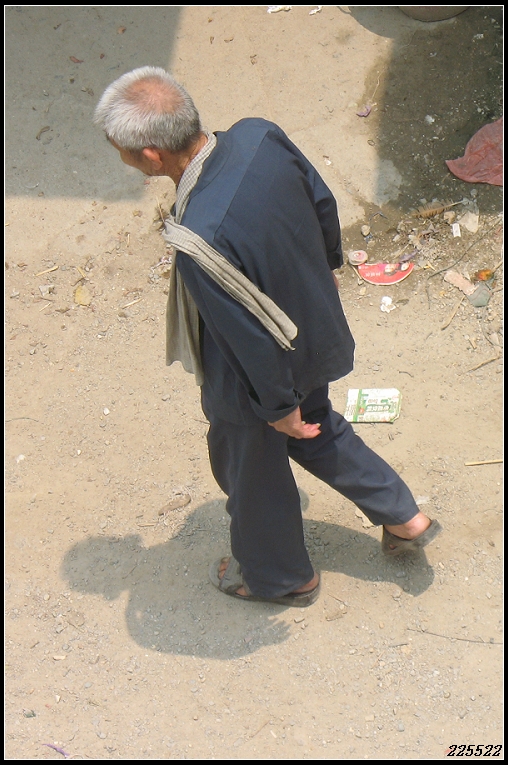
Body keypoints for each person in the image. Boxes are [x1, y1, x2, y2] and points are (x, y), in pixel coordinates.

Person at [94, 66, 442, 607]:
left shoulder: (199, 239)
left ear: (151, 156)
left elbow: (247, 339)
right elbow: (322, 202)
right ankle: (403, 516)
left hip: (256, 380)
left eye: (119, 148)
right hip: (311, 325)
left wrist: (277, 407)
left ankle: (282, 578)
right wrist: (326, 266)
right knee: (317, 427)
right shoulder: (259, 136)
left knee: (251, 472)